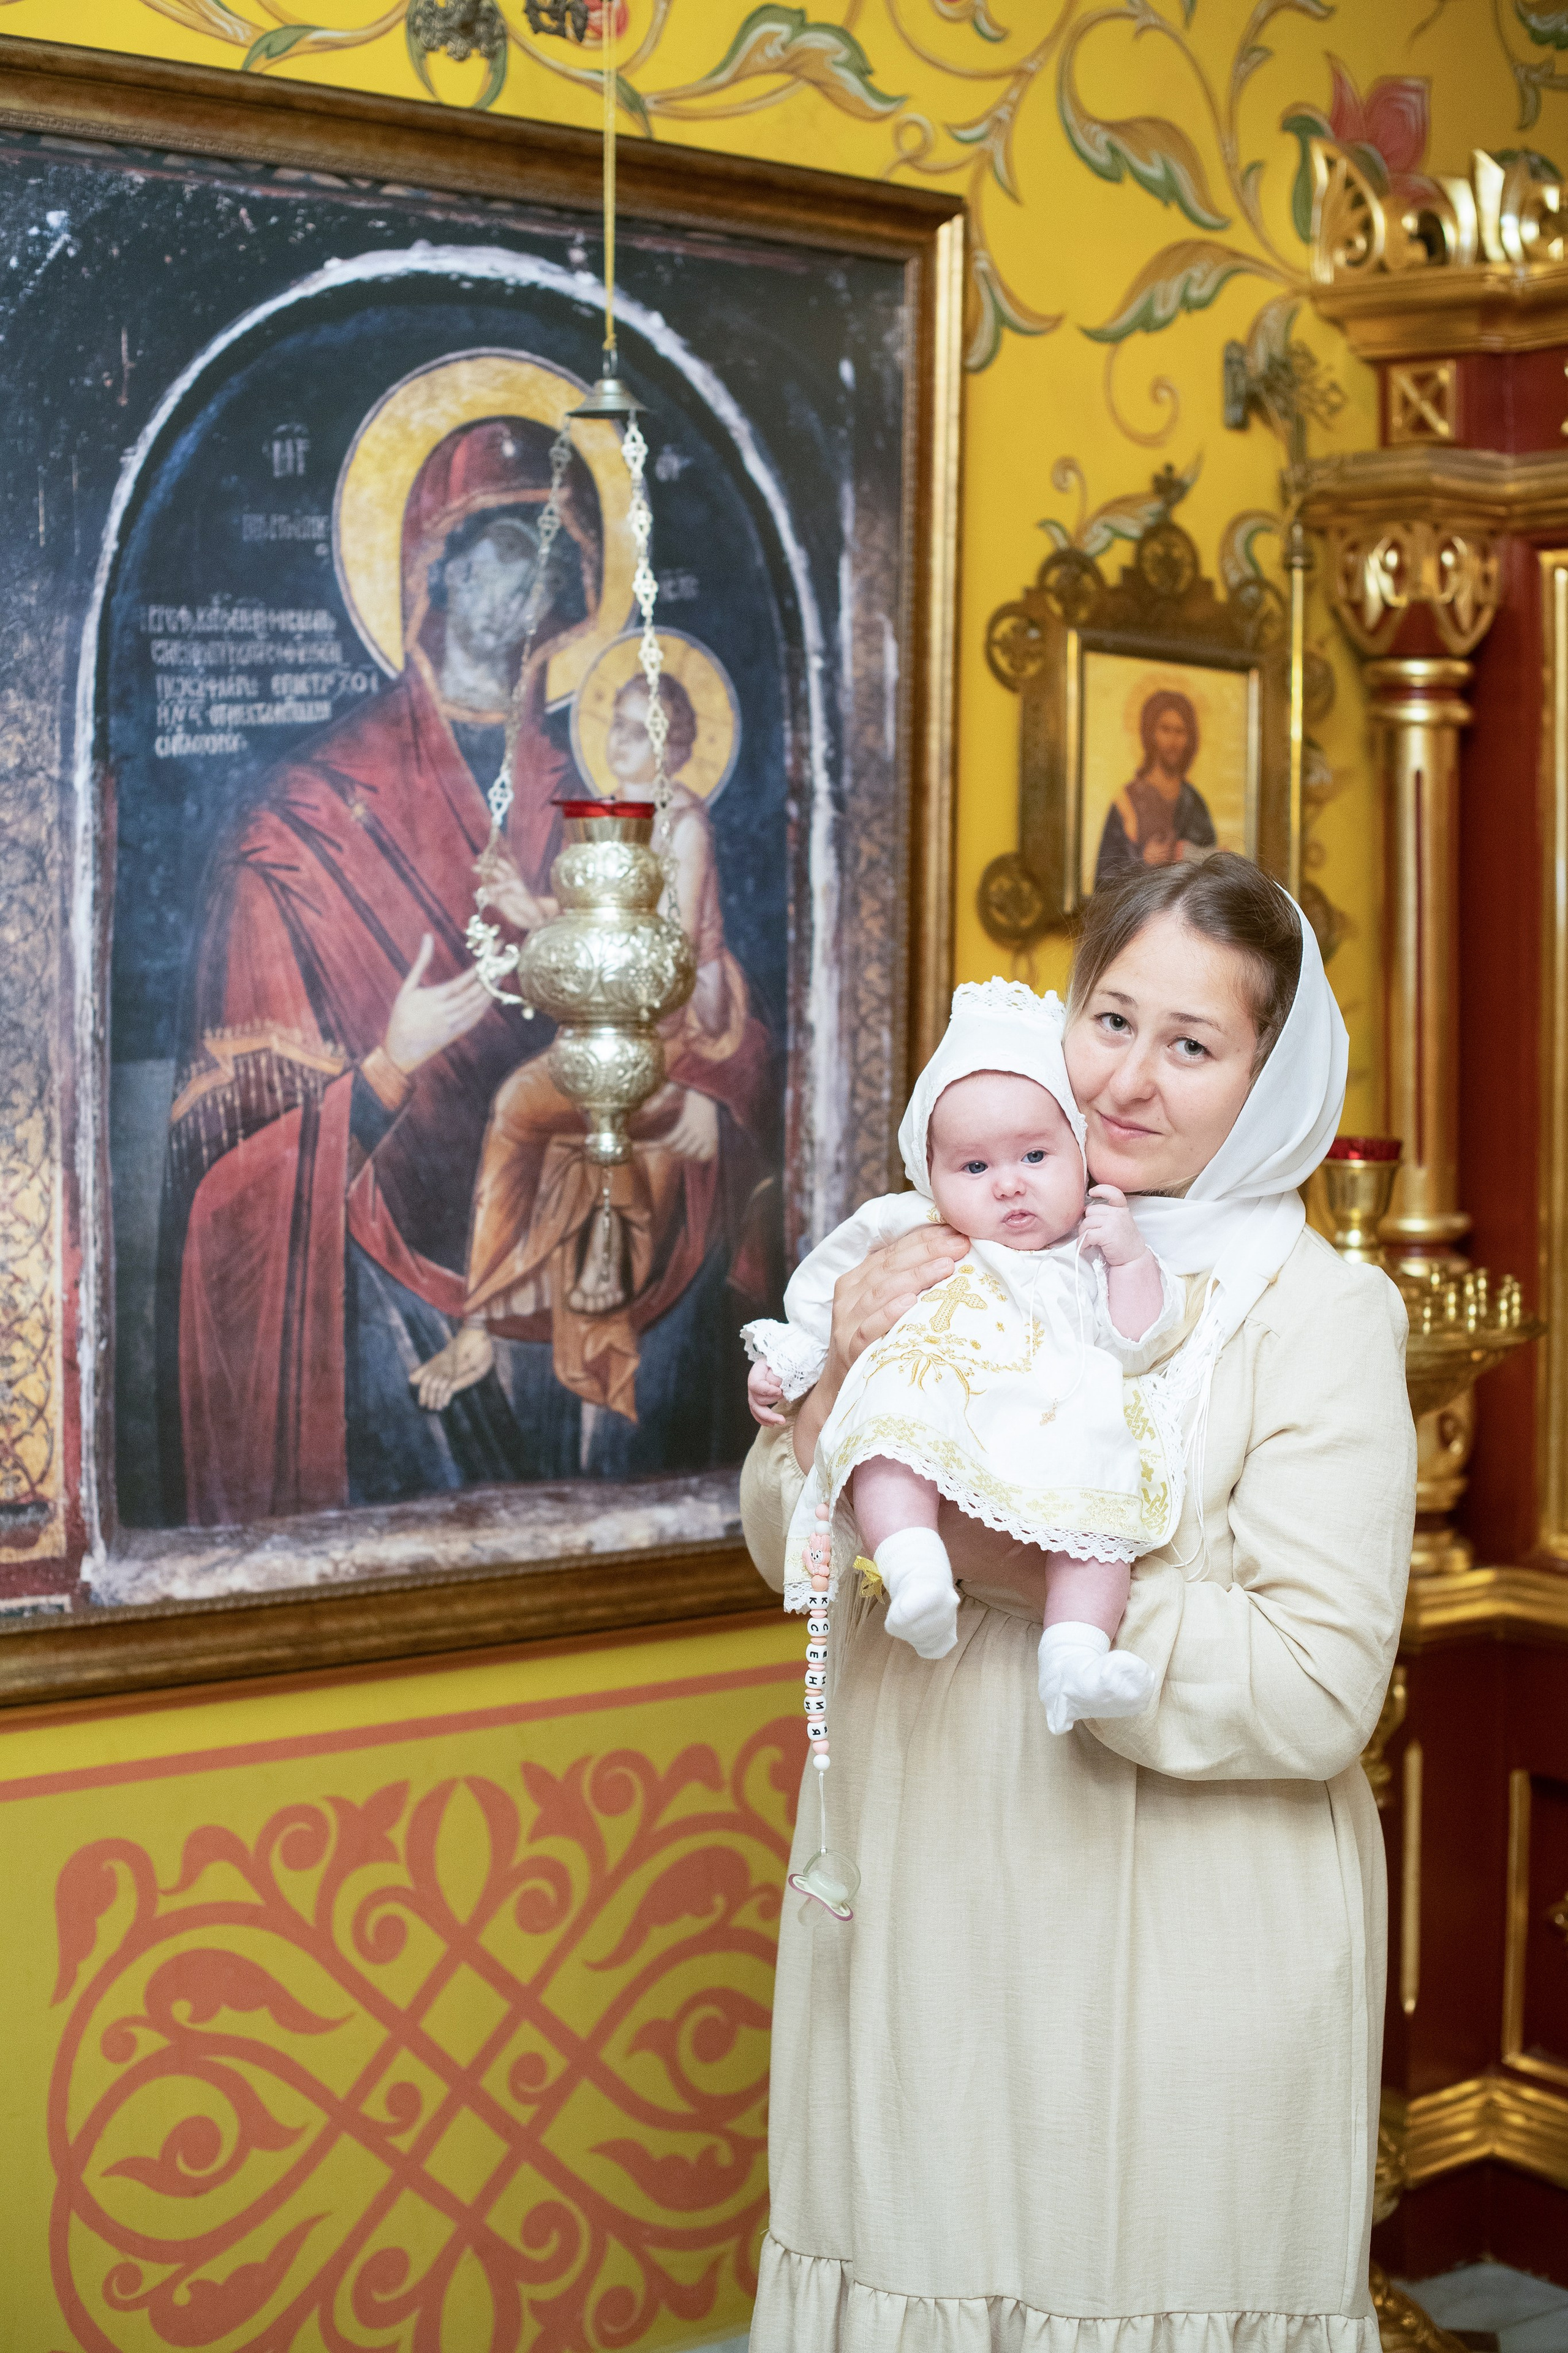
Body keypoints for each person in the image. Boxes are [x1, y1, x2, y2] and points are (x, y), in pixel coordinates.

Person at [740, 851, 1415, 2353]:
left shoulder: (1312, 1315)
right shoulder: (945, 1230)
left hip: (1174, 1947)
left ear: (1271, 1074)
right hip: (917, 1914)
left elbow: (1312, 1683)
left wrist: (1011, 1560)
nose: (1123, 1080)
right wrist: (840, 1379)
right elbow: (777, 1533)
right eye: (1108, 1018)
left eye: (1191, 1043)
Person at [161, 415, 771, 1524]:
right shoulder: (302, 820)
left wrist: (713, 1099)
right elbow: (221, 1178)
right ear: (426, 571)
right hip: (387, 1297)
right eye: (499, 547)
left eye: (557, 557)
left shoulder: (609, 790)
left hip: (622, 1244)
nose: (527, 582)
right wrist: (387, 1069)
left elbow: (711, 1003)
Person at [743, 980, 1183, 1731]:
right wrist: (788, 1360)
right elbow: (823, 1291)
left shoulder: (1091, 1246)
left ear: (1080, 1153)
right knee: (888, 1445)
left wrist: (1133, 1263)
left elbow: (1138, 1341)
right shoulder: (907, 1226)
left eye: (1036, 1155)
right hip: (938, 1401)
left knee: (1097, 1520)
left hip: (1054, 1425)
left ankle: (1074, 1658)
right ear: (930, 1174)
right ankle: (912, 1569)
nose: (1009, 1183)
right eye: (973, 1169)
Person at [410, 668, 756, 1426]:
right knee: (515, 1110)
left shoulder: (683, 824)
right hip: (613, 1021)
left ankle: (486, 1324)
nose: (619, 742)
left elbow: (661, 947)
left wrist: (699, 1077)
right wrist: (524, 907)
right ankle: (483, 1325)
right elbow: (608, 927)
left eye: (639, 730)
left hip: (665, 1032)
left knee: (521, 1112)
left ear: (676, 746)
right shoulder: (623, 818)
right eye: (616, 726)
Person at [1093, 686, 1218, 889]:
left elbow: (1211, 877)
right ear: (1151, 734)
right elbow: (1104, 880)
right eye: (1165, 729)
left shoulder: (1194, 803)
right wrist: (1144, 861)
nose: (1173, 741)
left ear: (1189, 739)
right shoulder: (1127, 802)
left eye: (1180, 731)